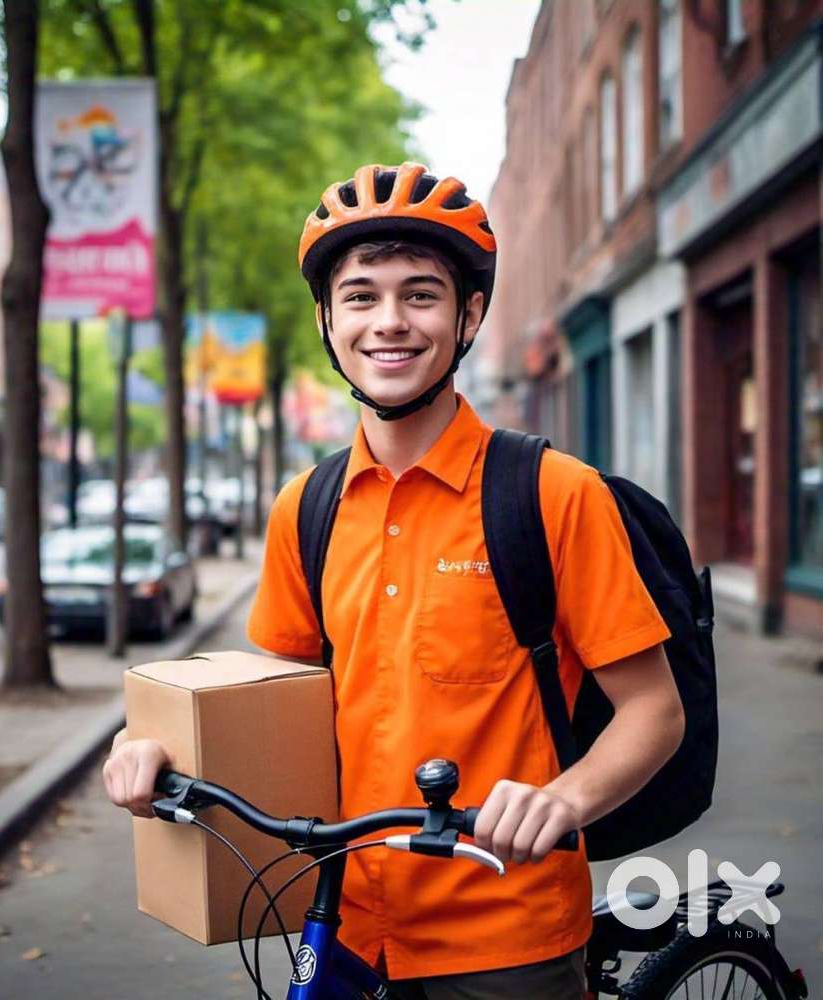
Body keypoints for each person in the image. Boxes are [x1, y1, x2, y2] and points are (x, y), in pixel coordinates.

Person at [103, 162, 686, 999]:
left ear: (468, 314)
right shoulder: (305, 507)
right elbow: (266, 707)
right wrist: (154, 752)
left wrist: (566, 799)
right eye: (361, 296)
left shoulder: (553, 495)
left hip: (504, 933)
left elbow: (654, 710)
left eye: (420, 294)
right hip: (337, 919)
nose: (390, 322)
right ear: (326, 320)